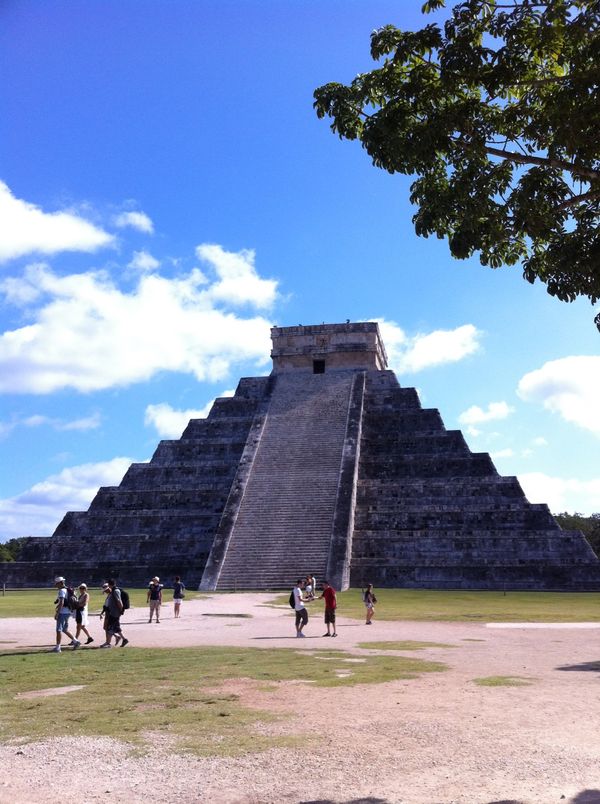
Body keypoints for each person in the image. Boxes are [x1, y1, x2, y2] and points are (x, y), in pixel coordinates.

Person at [52, 576, 80, 652]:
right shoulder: (68, 590)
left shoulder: (61, 591)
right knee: (65, 629)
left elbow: (62, 602)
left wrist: (57, 613)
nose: (56, 586)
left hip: (63, 612)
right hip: (68, 612)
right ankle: (76, 641)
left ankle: (58, 647)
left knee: (59, 629)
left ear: (61, 583)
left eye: (57, 584)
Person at [101, 578, 129, 648]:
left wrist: (121, 611)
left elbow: (119, 601)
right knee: (115, 627)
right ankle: (123, 639)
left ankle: (108, 643)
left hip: (114, 612)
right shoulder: (113, 591)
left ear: (110, 585)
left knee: (109, 628)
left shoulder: (115, 591)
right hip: (112, 612)